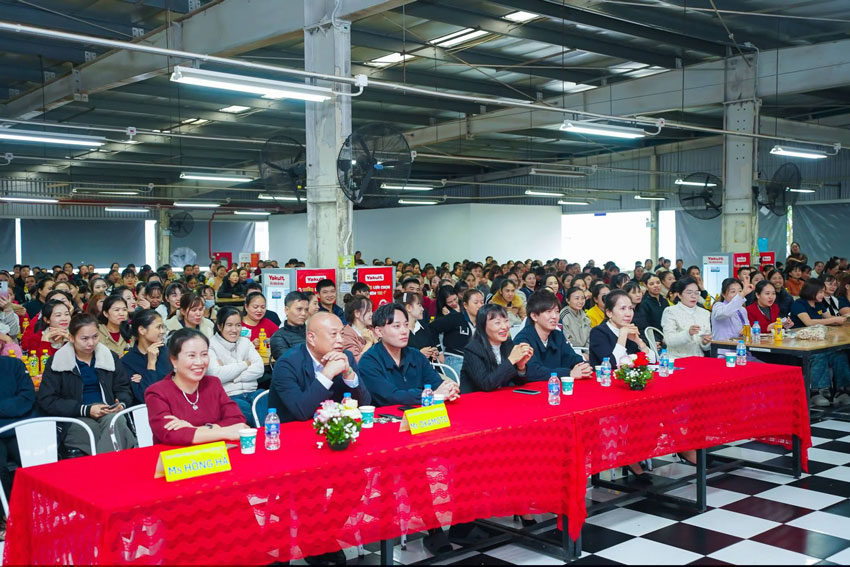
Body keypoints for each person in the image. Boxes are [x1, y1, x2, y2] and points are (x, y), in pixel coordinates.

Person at [37, 313, 135, 456]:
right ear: (71, 338)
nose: (91, 343)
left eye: (95, 337)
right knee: (91, 429)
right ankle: (112, 470)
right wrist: (85, 409)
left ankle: (102, 471)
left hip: (106, 410)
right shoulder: (58, 362)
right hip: (75, 416)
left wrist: (120, 403)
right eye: (84, 338)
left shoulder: (109, 357)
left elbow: (123, 388)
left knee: (116, 421)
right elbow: (47, 400)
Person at [145, 328, 249, 445]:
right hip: (176, 459)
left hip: (215, 457)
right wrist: (224, 432)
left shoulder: (213, 384)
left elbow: (238, 420)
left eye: (204, 354)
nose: (199, 362)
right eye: (192, 356)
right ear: (174, 360)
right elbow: (170, 434)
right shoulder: (157, 392)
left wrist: (195, 429)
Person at [268, 312, 371, 423]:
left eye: (342, 334)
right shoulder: (286, 365)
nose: (340, 340)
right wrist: (327, 374)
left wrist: (349, 374)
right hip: (293, 433)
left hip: (335, 431)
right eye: (333, 334)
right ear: (311, 338)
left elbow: (364, 404)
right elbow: (301, 411)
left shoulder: (345, 357)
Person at [359, 303, 459, 406]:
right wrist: (430, 395)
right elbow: (390, 396)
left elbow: (435, 382)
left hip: (420, 416)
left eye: (406, 325)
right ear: (379, 331)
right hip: (386, 418)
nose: (404, 331)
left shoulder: (416, 355)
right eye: (396, 326)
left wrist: (448, 388)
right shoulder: (369, 361)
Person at [789, 279, 850, 406]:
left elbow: (829, 318)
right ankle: (816, 392)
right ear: (811, 291)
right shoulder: (799, 304)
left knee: (840, 355)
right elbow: (809, 322)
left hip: (819, 342)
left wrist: (841, 319)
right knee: (820, 356)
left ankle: (841, 391)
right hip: (802, 345)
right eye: (820, 292)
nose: (823, 295)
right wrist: (835, 319)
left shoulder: (819, 305)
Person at [514, 290, 594, 382]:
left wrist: (583, 367)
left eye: (557, 311)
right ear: (534, 316)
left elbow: (571, 358)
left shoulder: (557, 335)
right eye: (548, 312)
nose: (554, 316)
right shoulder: (523, 339)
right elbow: (532, 371)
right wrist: (569, 373)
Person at [207, 307, 265, 426]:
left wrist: (232, 376)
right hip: (229, 395)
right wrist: (245, 364)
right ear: (219, 326)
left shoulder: (245, 342)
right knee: (248, 411)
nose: (234, 330)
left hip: (252, 391)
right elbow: (216, 375)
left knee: (266, 400)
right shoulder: (210, 345)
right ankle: (260, 434)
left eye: (238, 325)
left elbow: (260, 369)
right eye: (229, 325)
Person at [460, 304, 533, 394]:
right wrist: (511, 360)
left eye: (506, 321)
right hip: (476, 401)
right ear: (483, 326)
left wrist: (520, 367)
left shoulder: (508, 344)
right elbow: (485, 384)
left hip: (501, 398)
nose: (505, 327)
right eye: (497, 323)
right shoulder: (472, 350)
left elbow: (519, 383)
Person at [0, 356, 37, 507]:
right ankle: (6, 513)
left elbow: (28, 397)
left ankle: (38, 508)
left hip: (19, 427)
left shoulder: (13, 364)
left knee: (37, 462)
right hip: (13, 421)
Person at [589, 290, 657, 368]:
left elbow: (652, 360)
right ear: (609, 313)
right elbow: (613, 364)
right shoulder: (598, 332)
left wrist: (638, 341)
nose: (628, 314)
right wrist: (623, 335)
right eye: (622, 308)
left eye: (630, 308)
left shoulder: (630, 329)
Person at [428, 289, 485, 377]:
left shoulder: (483, 322)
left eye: (482, 302)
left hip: (474, 360)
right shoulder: (455, 318)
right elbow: (432, 328)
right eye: (476, 302)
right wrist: (439, 352)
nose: (480, 306)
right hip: (455, 358)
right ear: (465, 305)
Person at [120, 309, 172, 405]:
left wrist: (144, 378)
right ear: (142, 330)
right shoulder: (127, 361)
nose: (162, 331)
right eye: (158, 327)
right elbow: (144, 396)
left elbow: (173, 383)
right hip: (144, 413)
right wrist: (151, 364)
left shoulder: (167, 352)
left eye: (162, 327)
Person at [661, 277, 712, 359]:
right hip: (676, 359)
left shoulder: (705, 313)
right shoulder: (670, 311)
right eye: (689, 293)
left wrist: (705, 342)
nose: (693, 296)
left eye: (696, 293)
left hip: (698, 358)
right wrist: (688, 333)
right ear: (680, 295)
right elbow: (669, 340)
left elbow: (705, 347)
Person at [397, 291, 442, 363]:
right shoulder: (398, 332)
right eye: (419, 305)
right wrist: (419, 354)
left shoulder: (424, 327)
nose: (422, 309)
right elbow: (396, 357)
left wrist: (433, 352)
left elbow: (432, 346)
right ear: (408, 307)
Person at [270, 291, 309, 361]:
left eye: (306, 310)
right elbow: (289, 362)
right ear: (287, 310)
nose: (304, 313)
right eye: (299, 309)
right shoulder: (278, 337)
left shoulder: (312, 332)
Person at [339, 296, 377, 362]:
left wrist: (375, 340)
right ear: (357, 313)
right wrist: (369, 343)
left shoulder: (374, 329)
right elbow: (355, 362)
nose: (371, 314)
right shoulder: (346, 335)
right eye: (368, 311)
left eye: (371, 310)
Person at [634, 273, 667, 342]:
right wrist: (657, 340)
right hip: (655, 339)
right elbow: (645, 327)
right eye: (651, 284)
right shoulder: (643, 303)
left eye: (658, 283)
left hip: (668, 335)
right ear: (645, 286)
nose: (656, 286)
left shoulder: (664, 301)